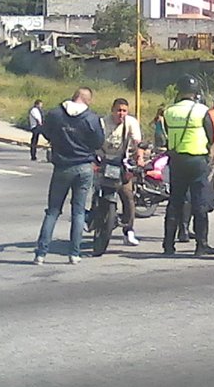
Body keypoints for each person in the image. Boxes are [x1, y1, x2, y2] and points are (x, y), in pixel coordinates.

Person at [34, 88, 105, 265]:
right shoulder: (91, 118)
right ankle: (74, 254)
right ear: (86, 99)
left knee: (52, 211)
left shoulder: (55, 114)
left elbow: (45, 132)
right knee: (79, 212)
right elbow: (98, 142)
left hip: (62, 166)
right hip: (83, 166)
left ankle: (41, 254)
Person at [162, 74, 214, 256]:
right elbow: (211, 136)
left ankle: (168, 244)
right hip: (197, 160)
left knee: (175, 202)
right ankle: (201, 245)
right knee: (199, 202)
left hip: (177, 160)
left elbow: (166, 133)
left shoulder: (169, 111)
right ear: (196, 93)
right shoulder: (202, 111)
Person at [101, 97, 144, 247]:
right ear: (112, 110)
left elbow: (138, 142)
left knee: (127, 195)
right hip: (104, 160)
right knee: (96, 188)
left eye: (124, 111)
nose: (121, 114)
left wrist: (139, 157)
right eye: (118, 110)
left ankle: (129, 230)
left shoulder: (131, 123)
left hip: (122, 162)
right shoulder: (103, 122)